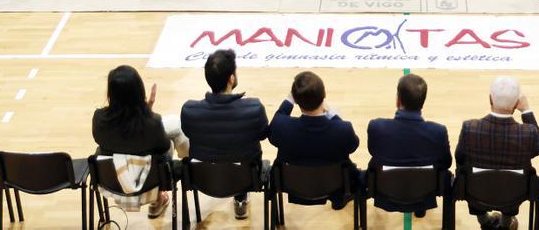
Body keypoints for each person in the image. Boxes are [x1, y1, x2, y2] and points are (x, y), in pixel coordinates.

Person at [178, 49, 270, 221]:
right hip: (247, 179)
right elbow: (264, 134)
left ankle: (239, 195)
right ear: (231, 79)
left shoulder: (189, 110)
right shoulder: (254, 108)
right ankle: (241, 198)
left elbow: (187, 132)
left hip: (203, 179)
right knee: (242, 158)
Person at [455, 77, 539, 230]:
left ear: (490, 99)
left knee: (472, 175)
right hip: (514, 193)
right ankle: (505, 225)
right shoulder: (528, 133)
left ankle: (484, 223)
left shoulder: (470, 128)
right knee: (511, 184)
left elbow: (459, 157)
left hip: (476, 192)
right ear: (516, 104)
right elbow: (538, 148)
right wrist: (526, 111)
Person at [268, 71, 361, 209]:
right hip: (334, 184)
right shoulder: (342, 129)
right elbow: (353, 145)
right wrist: (333, 116)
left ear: (296, 100)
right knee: (349, 170)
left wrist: (289, 100)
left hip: (291, 184)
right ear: (324, 95)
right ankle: (338, 198)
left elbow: (277, 121)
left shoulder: (281, 126)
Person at [92, 65, 174, 220]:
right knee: (168, 145)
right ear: (139, 91)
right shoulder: (153, 122)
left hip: (113, 183)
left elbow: (99, 139)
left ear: (111, 93)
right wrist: (148, 113)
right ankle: (158, 199)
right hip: (149, 184)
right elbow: (164, 147)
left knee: (103, 152)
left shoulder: (99, 118)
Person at [367, 74, 452, 215]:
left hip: (386, 189)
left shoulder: (376, 127)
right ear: (422, 102)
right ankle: (419, 205)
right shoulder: (438, 132)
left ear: (398, 100)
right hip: (425, 190)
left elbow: (373, 151)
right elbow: (446, 163)